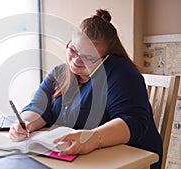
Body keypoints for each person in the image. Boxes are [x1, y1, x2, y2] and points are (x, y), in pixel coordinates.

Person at [9, 9, 162, 169]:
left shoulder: (120, 72)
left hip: (131, 159)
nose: (76, 60)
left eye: (88, 57)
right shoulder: (60, 73)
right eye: (73, 50)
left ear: (106, 57)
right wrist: (26, 123)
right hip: (79, 159)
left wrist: (95, 138)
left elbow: (133, 121)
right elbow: (38, 107)